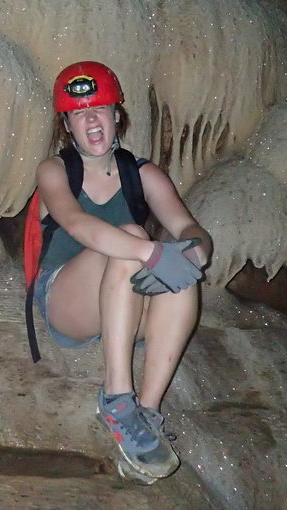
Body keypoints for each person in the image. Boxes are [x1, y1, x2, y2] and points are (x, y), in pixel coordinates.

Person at [30, 61, 212, 484]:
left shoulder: (143, 174)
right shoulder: (55, 171)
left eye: (100, 108)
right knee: (137, 240)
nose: (91, 118)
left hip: (126, 307)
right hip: (67, 302)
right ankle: (116, 398)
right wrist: (150, 252)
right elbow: (77, 224)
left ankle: (144, 413)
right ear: (67, 125)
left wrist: (193, 255)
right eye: (79, 112)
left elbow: (191, 229)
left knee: (180, 262)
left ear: (117, 115)